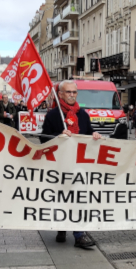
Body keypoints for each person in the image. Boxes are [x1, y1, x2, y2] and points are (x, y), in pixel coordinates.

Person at [40, 80, 102, 249]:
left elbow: (88, 132)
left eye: (74, 92)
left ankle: (79, 235)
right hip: (60, 165)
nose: (72, 95)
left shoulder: (83, 115)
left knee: (77, 198)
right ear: (60, 94)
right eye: (68, 92)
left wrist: (94, 135)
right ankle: (61, 227)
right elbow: (43, 138)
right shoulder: (53, 115)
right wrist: (59, 135)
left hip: (79, 165)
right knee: (62, 197)